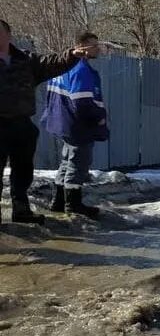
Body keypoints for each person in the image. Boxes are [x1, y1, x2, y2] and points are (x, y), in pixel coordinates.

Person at [0, 20, 90, 225]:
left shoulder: (25, 60)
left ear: (8, 35)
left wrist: (71, 55)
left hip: (21, 124)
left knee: (22, 171)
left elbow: (51, 63)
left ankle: (21, 210)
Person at [41, 31, 107, 219]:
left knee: (67, 160)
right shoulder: (81, 69)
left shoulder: (63, 67)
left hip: (61, 122)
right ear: (82, 48)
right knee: (78, 163)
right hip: (77, 125)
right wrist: (98, 117)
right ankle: (73, 204)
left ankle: (58, 201)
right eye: (94, 45)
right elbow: (82, 103)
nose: (97, 49)